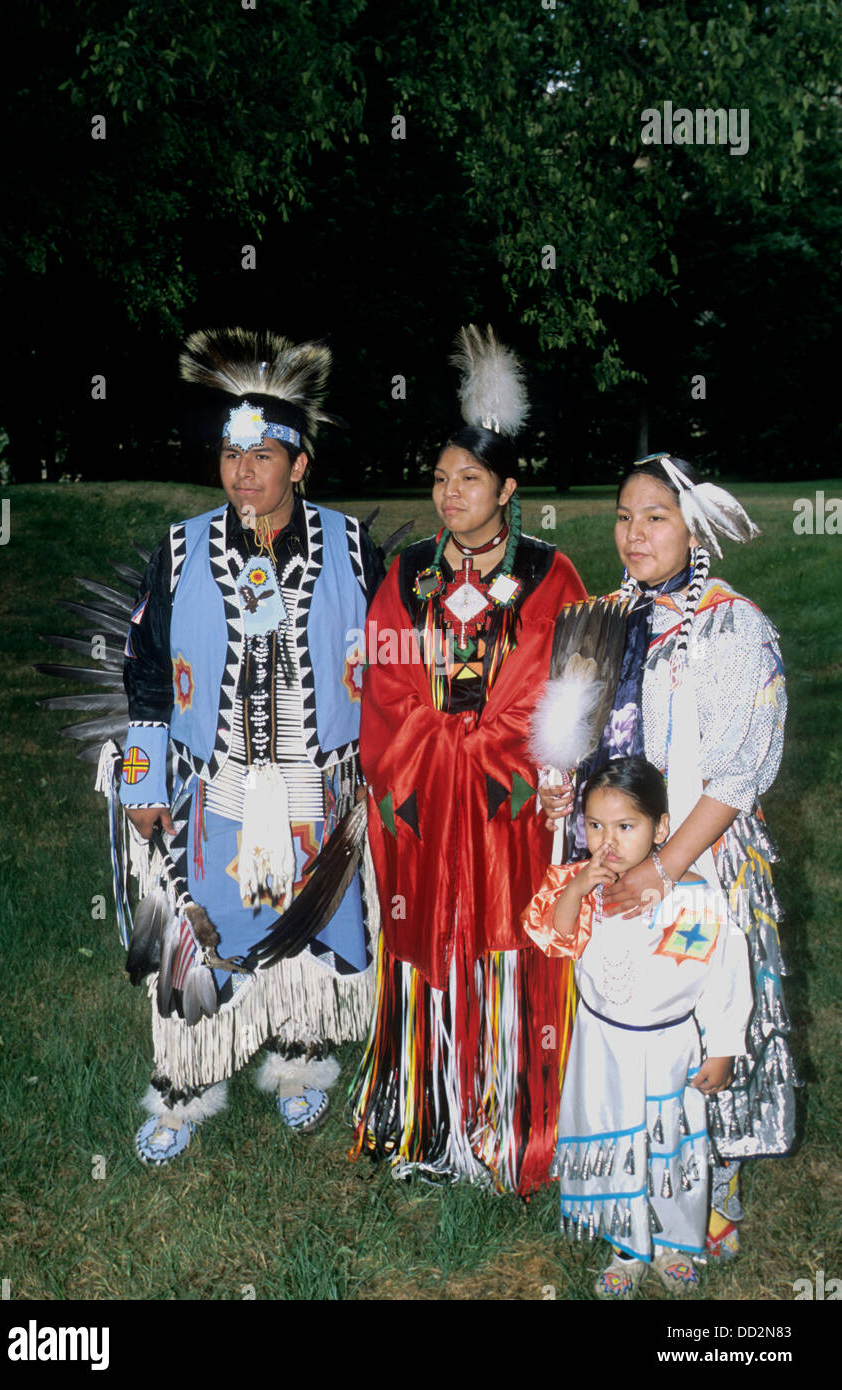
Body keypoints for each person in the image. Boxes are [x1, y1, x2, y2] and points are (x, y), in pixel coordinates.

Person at [112, 327, 383, 1164]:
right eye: (232, 456)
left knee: (314, 927)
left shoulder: (348, 546)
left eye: (262, 456)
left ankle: (302, 1062)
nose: (243, 473)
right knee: (200, 935)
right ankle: (184, 1087)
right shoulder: (184, 547)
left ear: (300, 464)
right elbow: (146, 672)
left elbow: (386, 667)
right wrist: (143, 780)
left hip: (319, 788)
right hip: (212, 792)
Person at [539, 453, 796, 1257]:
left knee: (701, 1021)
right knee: (624, 1013)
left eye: (656, 516)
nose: (635, 531)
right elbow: (573, 742)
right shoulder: (599, 618)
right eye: (624, 515)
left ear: (693, 526)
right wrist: (562, 792)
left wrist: (666, 867)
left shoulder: (730, 625)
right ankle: (626, 1177)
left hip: (698, 864)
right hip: (616, 856)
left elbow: (735, 773)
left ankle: (711, 1179)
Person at [350, 326, 586, 1194]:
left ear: (507, 488)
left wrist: (482, 752)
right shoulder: (407, 571)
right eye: (442, 478)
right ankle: (424, 1113)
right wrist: (434, 750)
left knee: (505, 943)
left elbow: (549, 690)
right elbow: (385, 682)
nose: (451, 494)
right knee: (421, 939)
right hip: (418, 808)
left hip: (508, 813)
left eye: (471, 479)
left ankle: (509, 1117)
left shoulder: (548, 573)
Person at [523, 757, 752, 1298]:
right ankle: (626, 1247)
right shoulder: (583, 887)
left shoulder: (694, 898)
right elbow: (555, 939)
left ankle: (676, 1240)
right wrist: (578, 888)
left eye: (626, 827)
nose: (608, 841)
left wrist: (720, 1047)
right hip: (603, 1047)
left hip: (670, 1047)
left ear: (662, 829)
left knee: (669, 1144)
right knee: (616, 1142)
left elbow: (725, 972)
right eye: (595, 825)